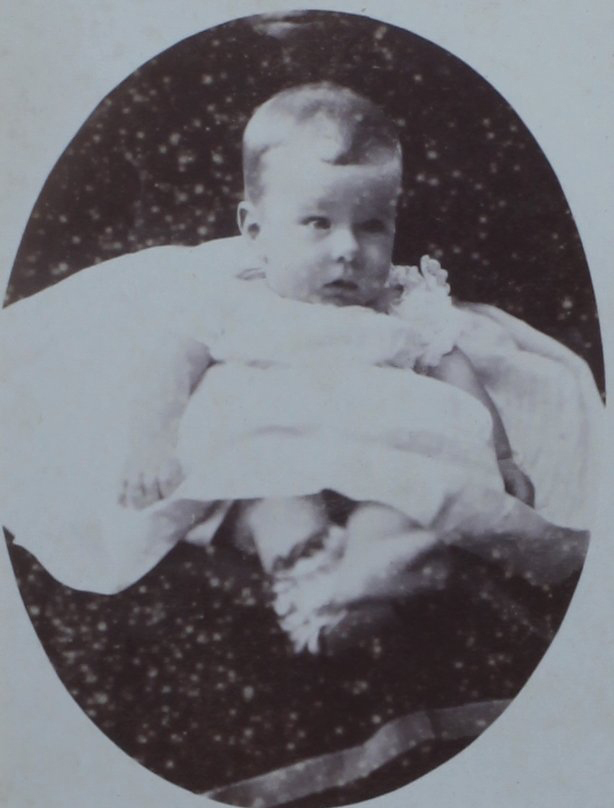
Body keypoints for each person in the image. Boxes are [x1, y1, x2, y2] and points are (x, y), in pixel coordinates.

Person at [0, 83, 601, 652]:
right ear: (254, 229)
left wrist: (500, 454)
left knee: (411, 497)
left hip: (382, 439)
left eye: (372, 227)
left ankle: (369, 565)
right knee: (268, 501)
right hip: (275, 444)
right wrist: (152, 443)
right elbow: (170, 365)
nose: (347, 249)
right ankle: (313, 578)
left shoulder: (402, 301)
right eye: (318, 223)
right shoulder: (233, 292)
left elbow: (452, 366)